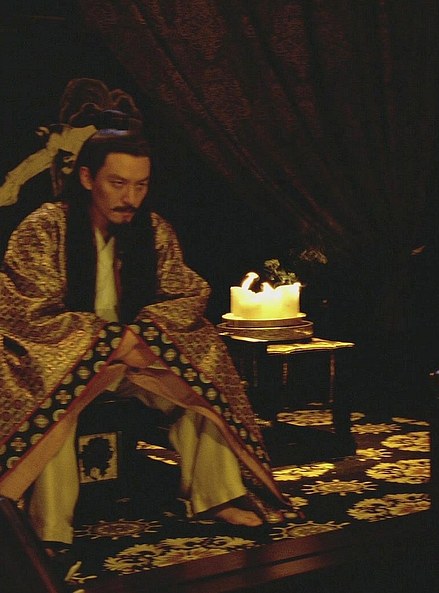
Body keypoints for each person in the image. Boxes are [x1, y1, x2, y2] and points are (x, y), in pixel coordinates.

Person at [0, 129, 293, 560]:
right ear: (87, 178)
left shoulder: (153, 230)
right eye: (118, 183)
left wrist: (142, 336)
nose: (130, 198)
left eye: (140, 185)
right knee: (56, 399)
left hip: (135, 355)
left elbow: (186, 294)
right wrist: (108, 341)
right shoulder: (44, 229)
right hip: (66, 359)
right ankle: (49, 528)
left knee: (201, 374)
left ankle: (219, 496)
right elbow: (26, 311)